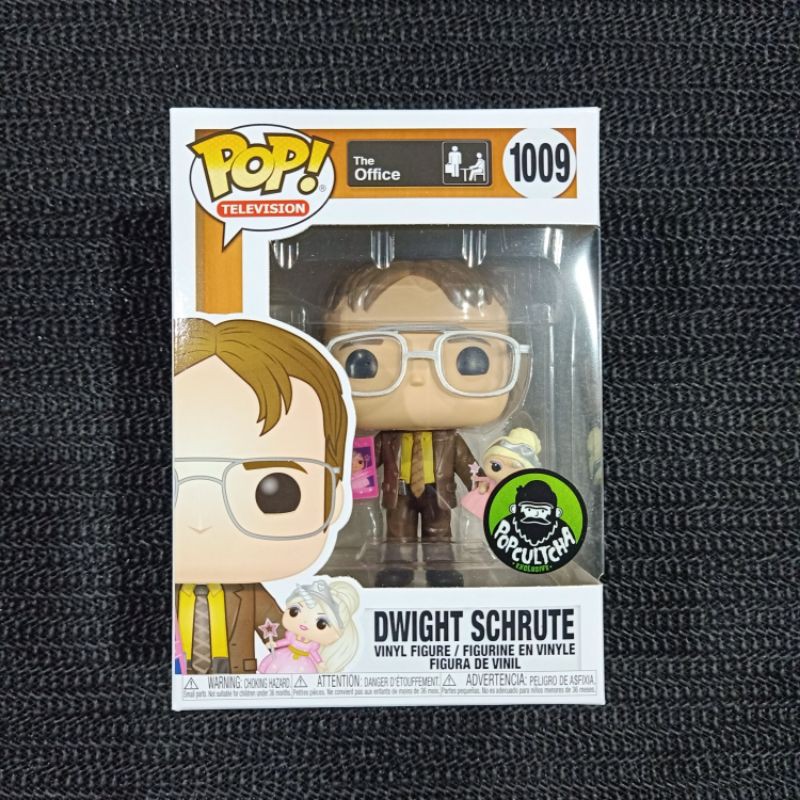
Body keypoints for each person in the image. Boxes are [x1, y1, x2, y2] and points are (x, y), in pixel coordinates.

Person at [325, 260, 530, 587]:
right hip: (399, 491)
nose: (418, 376)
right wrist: (344, 480)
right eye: (364, 362)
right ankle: (398, 568)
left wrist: (483, 486)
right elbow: (366, 461)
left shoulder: (449, 438)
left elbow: (466, 463)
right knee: (398, 531)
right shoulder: (387, 438)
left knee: (438, 531)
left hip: (438, 491)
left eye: (469, 359)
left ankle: (441, 568)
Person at [173, 318, 350, 674]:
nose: (201, 522)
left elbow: (282, 636)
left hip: (238, 680)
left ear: (334, 500)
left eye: (276, 491)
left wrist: (299, 659)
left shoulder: (251, 594)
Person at [258, 579, 360, 674]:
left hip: (303, 664)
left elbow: (314, 654)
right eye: (295, 612)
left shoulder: (313, 645)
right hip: (284, 656)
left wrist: (320, 663)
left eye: (321, 624)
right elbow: (285, 642)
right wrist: (274, 644)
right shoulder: (292, 636)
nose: (305, 622)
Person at [461, 427, 542, 518]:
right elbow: (484, 485)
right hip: (486, 501)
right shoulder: (491, 480)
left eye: (514, 469)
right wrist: (483, 486)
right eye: (496, 466)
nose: (503, 474)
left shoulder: (519, 488)